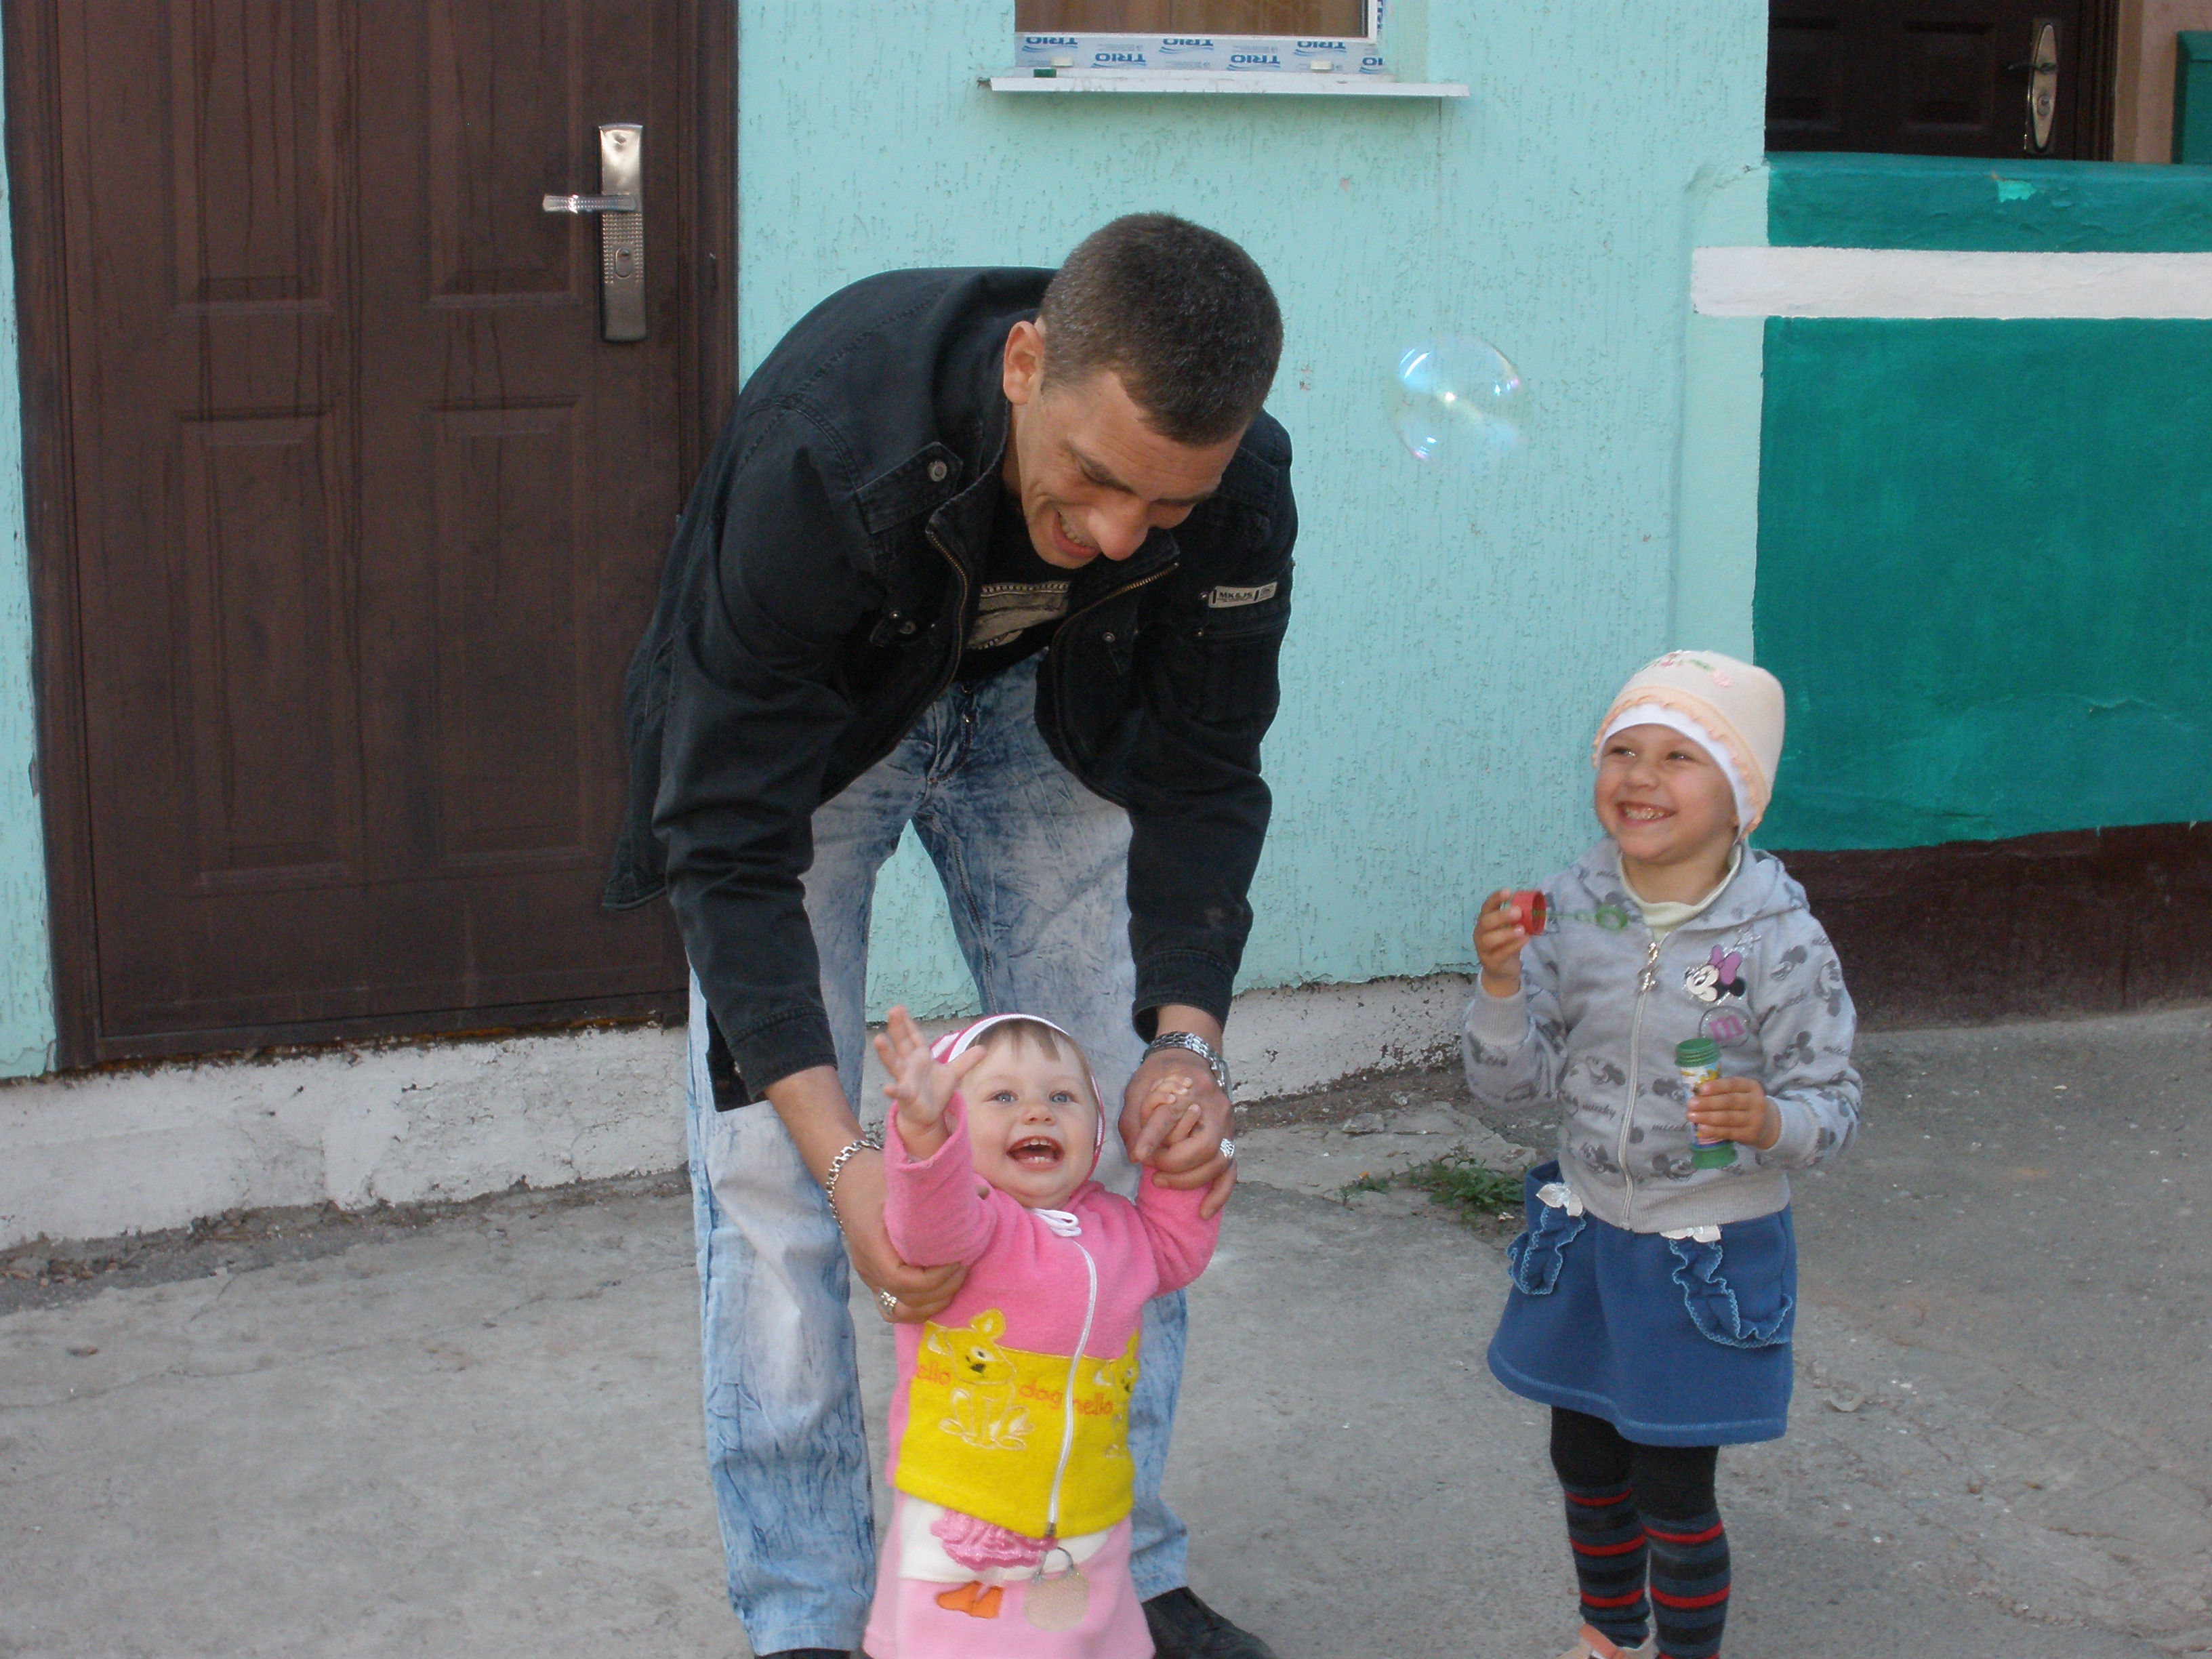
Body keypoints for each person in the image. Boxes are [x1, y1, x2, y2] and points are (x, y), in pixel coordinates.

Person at [603, 214, 1295, 1659]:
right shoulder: (825, 451)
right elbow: (724, 838)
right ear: (1024, 363)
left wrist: (1189, 1045)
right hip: (821, 730)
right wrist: (849, 1161)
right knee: (775, 1181)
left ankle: (1109, 1564)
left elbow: (1203, 773)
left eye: (1164, 506)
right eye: (1093, 478)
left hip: (1048, 716)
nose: (1122, 534)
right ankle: (805, 1614)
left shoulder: (1234, 489)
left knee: (1121, 1136)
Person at [1461, 650, 1862, 1659]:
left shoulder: (1781, 941)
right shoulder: (1571, 907)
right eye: (1622, 751)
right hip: (1588, 1235)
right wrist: (1500, 987)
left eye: (1680, 757)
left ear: (1741, 799)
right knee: (1585, 1460)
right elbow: (1510, 1088)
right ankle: (1608, 1634)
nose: (1640, 777)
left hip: (1706, 1252)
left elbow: (1834, 1104)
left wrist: (1768, 1122)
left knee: (1674, 1488)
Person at [863, 1008, 1218, 1656]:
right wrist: (923, 1134)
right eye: (1002, 1097)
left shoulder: (1118, 1228)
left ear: (1098, 1128)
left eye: (1063, 1097)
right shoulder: (973, 1221)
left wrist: (1177, 1146)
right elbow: (923, 1226)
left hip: (1086, 1512)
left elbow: (1175, 1248)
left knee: (1079, 1639)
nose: (1037, 1113)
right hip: (965, 1512)